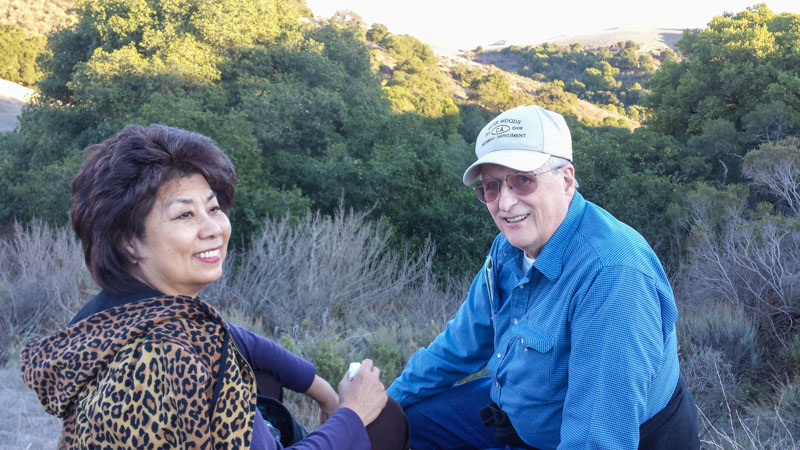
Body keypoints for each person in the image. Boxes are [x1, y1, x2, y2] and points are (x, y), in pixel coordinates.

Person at [20, 124, 409, 450]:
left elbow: (232, 336)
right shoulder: (175, 356)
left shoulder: (114, 316)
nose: (213, 229)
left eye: (214, 207)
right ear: (129, 242)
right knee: (385, 421)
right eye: (185, 214)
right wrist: (352, 413)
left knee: (264, 374)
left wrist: (322, 391)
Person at [386, 105, 700, 450]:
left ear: (566, 180)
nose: (505, 203)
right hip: (518, 412)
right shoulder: (507, 249)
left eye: (523, 179)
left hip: (590, 436)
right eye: (492, 186)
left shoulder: (612, 276)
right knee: (401, 423)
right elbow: (458, 346)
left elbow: (595, 440)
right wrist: (379, 407)